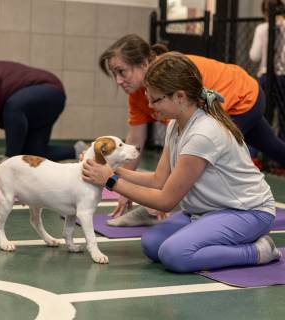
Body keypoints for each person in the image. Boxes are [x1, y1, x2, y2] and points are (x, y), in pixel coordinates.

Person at [82, 52, 281, 273]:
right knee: (151, 245)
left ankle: (258, 251)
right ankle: (219, 235)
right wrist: (114, 170)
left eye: (156, 100)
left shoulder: (202, 135)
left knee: (174, 255)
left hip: (246, 212)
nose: (150, 105)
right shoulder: (174, 125)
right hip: (207, 211)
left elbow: (166, 200)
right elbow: (159, 180)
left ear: (179, 96)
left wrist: (111, 181)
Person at [99, 33, 285, 227]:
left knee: (198, 160)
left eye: (122, 71)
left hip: (243, 96)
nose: (118, 80)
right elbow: (135, 141)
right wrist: (124, 190)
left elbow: (197, 140)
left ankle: (238, 216)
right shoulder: (139, 95)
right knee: (274, 148)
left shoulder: (175, 73)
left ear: (145, 63)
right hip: (236, 98)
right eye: (114, 74)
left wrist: (156, 200)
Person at [0, 60, 86, 165]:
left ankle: (9, 159)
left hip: (49, 91)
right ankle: (80, 151)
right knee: (33, 155)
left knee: (14, 105)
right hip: (31, 110)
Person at [249, 0, 285, 141]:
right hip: (283, 76)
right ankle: (281, 156)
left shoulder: (262, 28)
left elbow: (254, 56)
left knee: (262, 118)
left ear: (265, 11)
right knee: (283, 119)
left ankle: (259, 155)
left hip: (265, 76)